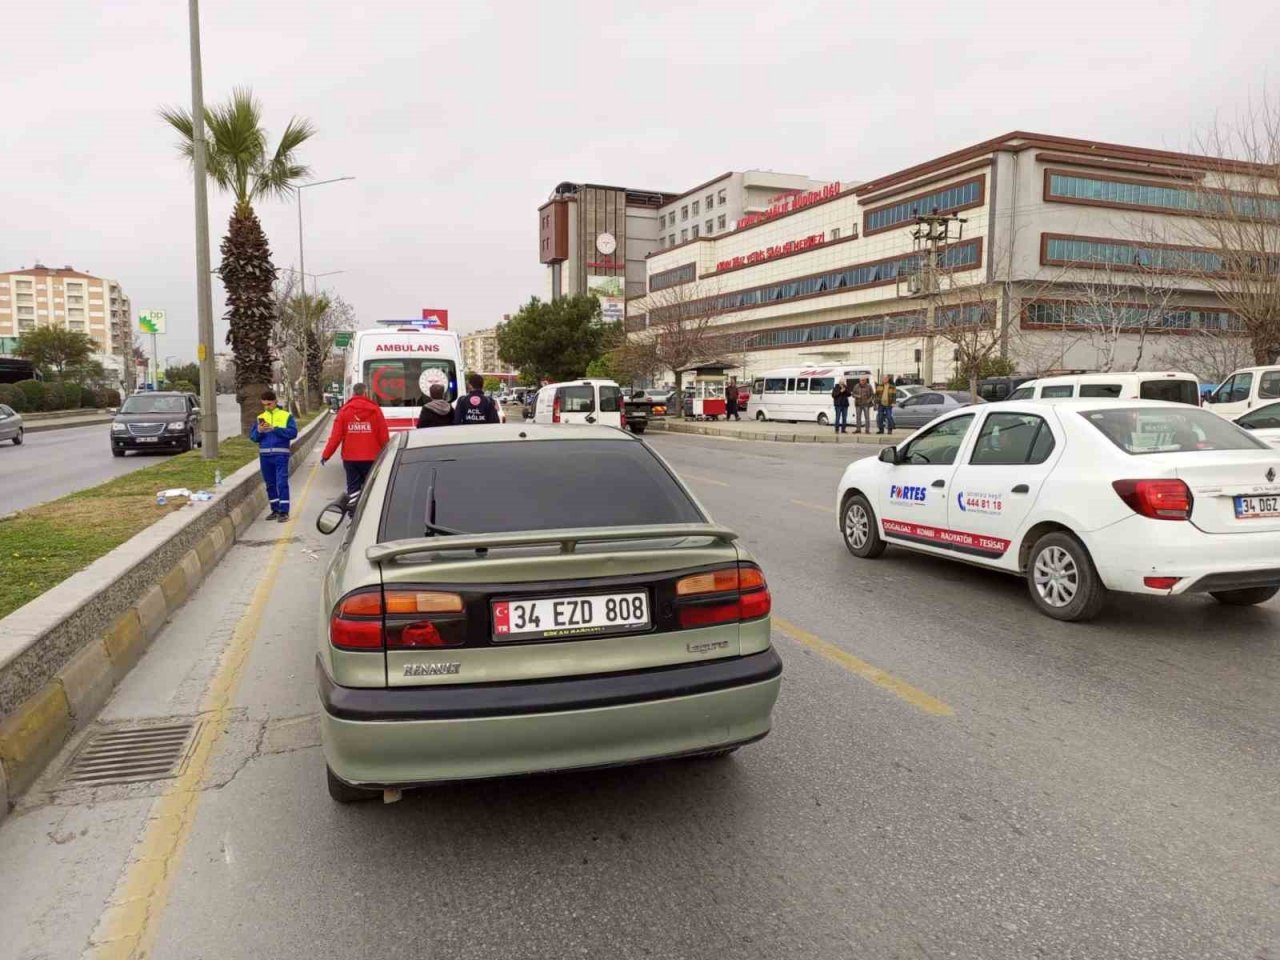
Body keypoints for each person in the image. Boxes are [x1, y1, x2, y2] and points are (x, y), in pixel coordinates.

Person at [320, 383, 390, 498]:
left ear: (353, 393)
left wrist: (326, 455)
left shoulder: (344, 411)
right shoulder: (375, 410)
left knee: (353, 488)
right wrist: (387, 453)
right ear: (365, 393)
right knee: (372, 487)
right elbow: (383, 435)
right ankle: (370, 511)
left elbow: (336, 437)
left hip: (351, 458)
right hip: (371, 457)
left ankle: (353, 512)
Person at [249, 390, 298, 522]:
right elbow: (253, 437)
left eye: (269, 404)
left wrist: (275, 429)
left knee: (281, 482)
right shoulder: (260, 417)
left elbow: (293, 433)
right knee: (270, 484)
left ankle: (284, 511)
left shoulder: (286, 416)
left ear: (276, 402)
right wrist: (259, 431)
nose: (267, 407)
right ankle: (275, 509)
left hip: (281, 454)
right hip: (265, 455)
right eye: (264, 404)